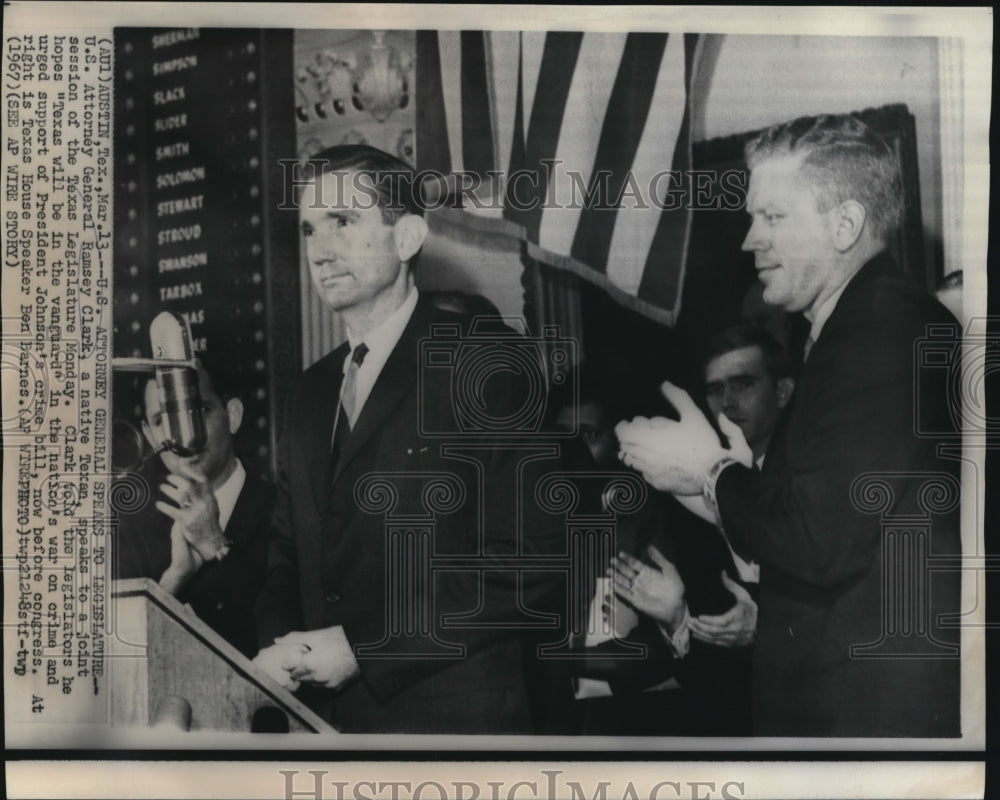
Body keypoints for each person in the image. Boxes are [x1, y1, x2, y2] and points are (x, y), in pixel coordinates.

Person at [616, 113, 961, 737]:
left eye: (773, 218)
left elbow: (816, 540)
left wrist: (709, 468)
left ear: (845, 224)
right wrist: (699, 485)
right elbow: (830, 524)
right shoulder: (852, 327)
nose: (750, 240)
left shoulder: (881, 331)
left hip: (869, 719)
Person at [252, 144, 563, 733]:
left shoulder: (486, 363)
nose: (319, 249)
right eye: (310, 229)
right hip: (329, 733)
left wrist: (366, 648)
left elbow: (531, 561)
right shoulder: (310, 394)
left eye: (344, 222)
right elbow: (287, 556)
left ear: (407, 238)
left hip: (455, 735)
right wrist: (280, 651)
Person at [114, 354, 275, 658]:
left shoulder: (286, 512)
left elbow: (282, 643)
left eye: (198, 410)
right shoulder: (130, 529)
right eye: (163, 419)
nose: (183, 435)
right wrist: (173, 581)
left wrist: (216, 546)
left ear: (234, 416)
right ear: (149, 435)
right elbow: (120, 663)